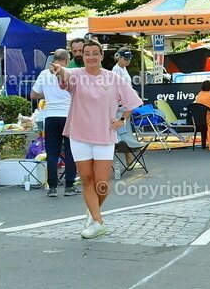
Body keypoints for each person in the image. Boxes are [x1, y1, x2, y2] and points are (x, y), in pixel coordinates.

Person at [52, 38, 142, 239]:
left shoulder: (113, 78)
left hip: (104, 135)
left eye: (95, 53)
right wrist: (59, 71)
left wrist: (122, 120)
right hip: (79, 135)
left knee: (102, 183)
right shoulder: (75, 75)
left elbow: (132, 102)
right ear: (81, 56)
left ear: (102, 56)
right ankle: (97, 221)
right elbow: (65, 78)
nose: (91, 57)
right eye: (87, 54)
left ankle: (93, 213)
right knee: (87, 179)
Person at [30, 49, 78, 197]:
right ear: (67, 60)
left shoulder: (44, 74)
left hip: (50, 116)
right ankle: (69, 185)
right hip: (69, 116)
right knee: (71, 151)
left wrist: (48, 92)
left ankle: (52, 187)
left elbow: (33, 95)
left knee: (52, 152)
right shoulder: (72, 73)